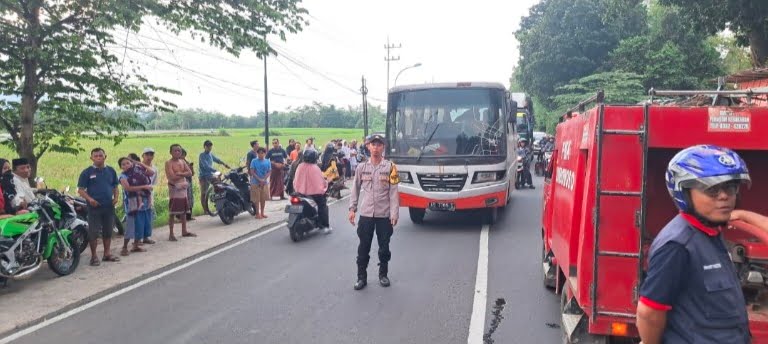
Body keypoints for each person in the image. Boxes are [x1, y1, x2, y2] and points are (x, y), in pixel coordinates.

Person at [637, 145, 751, 344]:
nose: (724, 196)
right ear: (684, 192)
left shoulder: (710, 233)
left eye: (730, 187)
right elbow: (649, 312)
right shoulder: (678, 246)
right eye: (712, 189)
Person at [348, 134, 400, 290]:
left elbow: (394, 192)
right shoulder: (361, 168)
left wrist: (394, 213)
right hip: (366, 214)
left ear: (383, 147)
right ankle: (361, 277)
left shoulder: (390, 167)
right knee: (363, 246)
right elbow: (355, 189)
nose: (376, 147)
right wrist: (352, 209)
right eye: (373, 144)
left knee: (384, 247)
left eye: (379, 144)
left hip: (384, 215)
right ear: (368, 147)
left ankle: (383, 274)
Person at [77, 148, 120, 266]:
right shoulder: (87, 172)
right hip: (94, 207)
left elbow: (115, 187)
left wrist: (116, 198)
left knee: (108, 230)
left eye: (100, 155)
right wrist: (90, 200)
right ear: (91, 158)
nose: (98, 158)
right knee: (93, 232)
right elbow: (80, 190)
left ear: (105, 156)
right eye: (95, 156)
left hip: (108, 206)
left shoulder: (111, 171)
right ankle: (94, 256)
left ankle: (107, 254)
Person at [117, 157, 154, 256]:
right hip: (132, 202)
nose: (126, 166)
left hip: (144, 200)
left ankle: (136, 245)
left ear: (132, 163)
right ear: (120, 167)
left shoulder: (138, 171)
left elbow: (151, 172)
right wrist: (144, 187)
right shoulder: (123, 176)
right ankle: (124, 247)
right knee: (131, 224)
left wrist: (140, 163)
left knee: (141, 223)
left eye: (128, 163)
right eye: (123, 164)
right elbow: (128, 188)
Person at [293, 150, 331, 234]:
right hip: (314, 194)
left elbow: (295, 180)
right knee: (322, 206)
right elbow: (320, 181)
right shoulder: (315, 168)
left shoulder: (300, 166)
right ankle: (325, 226)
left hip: (300, 193)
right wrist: (325, 185)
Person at [167, 144, 196, 241]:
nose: (177, 152)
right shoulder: (169, 163)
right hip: (174, 189)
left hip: (183, 189)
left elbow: (190, 173)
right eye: (175, 151)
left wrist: (180, 173)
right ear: (170, 152)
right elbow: (171, 177)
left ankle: (184, 230)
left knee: (184, 211)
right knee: (172, 212)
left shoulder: (182, 161)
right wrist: (183, 175)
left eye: (179, 151)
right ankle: (171, 233)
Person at [199, 140, 230, 214]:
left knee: (219, 186)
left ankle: (220, 204)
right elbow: (206, 166)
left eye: (210, 147)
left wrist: (224, 164)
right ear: (204, 147)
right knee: (204, 193)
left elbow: (217, 160)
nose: (209, 148)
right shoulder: (202, 155)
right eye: (208, 147)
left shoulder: (210, 154)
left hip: (210, 175)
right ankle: (205, 210)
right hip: (203, 176)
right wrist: (215, 171)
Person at [140, 147, 158, 244]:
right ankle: (138, 238)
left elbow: (154, 182)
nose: (149, 157)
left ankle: (146, 236)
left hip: (149, 193)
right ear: (142, 155)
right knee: (139, 215)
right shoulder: (138, 167)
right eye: (147, 154)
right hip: (138, 193)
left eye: (151, 155)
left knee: (148, 215)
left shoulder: (155, 168)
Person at [249, 147, 271, 219]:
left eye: (262, 153)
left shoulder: (267, 161)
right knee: (256, 199)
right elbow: (252, 172)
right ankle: (257, 214)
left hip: (264, 183)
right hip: (255, 183)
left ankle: (262, 213)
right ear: (257, 153)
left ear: (265, 153)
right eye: (259, 153)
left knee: (263, 199)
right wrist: (259, 179)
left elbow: (269, 171)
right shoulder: (254, 161)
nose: (260, 154)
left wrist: (263, 179)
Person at [181, 148, 195, 221]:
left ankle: (189, 216)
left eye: (184, 155)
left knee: (189, 199)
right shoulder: (178, 163)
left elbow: (192, 173)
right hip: (182, 183)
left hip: (189, 183)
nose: (183, 157)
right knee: (183, 200)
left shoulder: (187, 162)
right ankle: (182, 217)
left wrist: (191, 168)